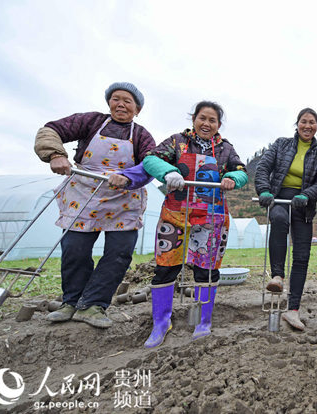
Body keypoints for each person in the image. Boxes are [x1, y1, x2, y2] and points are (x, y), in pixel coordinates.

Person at [34, 82, 156, 328]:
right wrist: (55, 154)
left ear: (137, 109)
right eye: (115, 98)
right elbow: (50, 130)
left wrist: (129, 177)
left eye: (127, 101)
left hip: (123, 197)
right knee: (74, 249)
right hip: (84, 192)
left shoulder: (142, 135)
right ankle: (72, 302)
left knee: (119, 253)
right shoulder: (90, 122)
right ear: (108, 102)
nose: (120, 104)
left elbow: (151, 163)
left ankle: (94, 305)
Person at [142, 101, 248, 347]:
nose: (206, 124)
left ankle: (203, 319)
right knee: (166, 265)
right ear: (194, 119)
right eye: (202, 118)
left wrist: (232, 178)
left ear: (218, 125)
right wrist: (169, 172)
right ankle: (161, 322)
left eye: (212, 120)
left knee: (207, 267)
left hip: (212, 215)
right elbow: (150, 159)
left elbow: (241, 170)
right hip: (175, 213)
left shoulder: (225, 148)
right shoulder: (177, 141)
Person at [254, 108, 317, 331]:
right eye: (304, 121)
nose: (307, 126)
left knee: (302, 255)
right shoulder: (281, 144)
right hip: (279, 199)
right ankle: (277, 276)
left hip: (302, 204)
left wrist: (307, 195)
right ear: (297, 124)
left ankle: (293, 310)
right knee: (278, 221)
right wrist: (264, 190)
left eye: (312, 122)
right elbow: (263, 167)